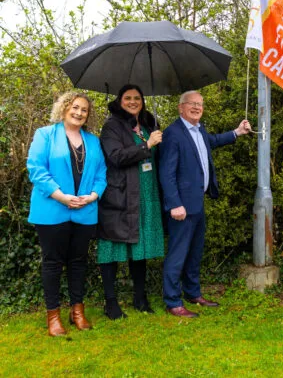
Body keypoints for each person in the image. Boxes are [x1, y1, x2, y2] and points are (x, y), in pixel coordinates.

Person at [159, 90, 252, 318]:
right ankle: (172, 301)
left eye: (199, 104)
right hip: (181, 207)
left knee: (195, 252)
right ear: (180, 107)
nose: (196, 107)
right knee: (178, 253)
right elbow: (166, 172)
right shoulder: (172, 133)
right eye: (191, 103)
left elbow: (213, 141)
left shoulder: (199, 129)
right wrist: (174, 204)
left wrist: (237, 132)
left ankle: (192, 293)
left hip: (197, 203)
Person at [26, 92, 107, 336]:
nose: (79, 112)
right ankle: (53, 316)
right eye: (75, 107)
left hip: (85, 212)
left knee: (78, 263)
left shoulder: (93, 141)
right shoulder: (45, 135)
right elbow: (36, 169)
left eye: (84, 110)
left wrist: (93, 195)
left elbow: (102, 173)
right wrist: (61, 196)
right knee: (52, 264)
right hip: (52, 211)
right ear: (64, 108)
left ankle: (77, 311)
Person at [97, 84, 165, 320]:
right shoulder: (111, 126)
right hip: (121, 195)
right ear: (119, 100)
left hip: (146, 194)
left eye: (138, 97)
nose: (133, 101)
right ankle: (111, 302)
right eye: (128, 98)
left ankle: (140, 297)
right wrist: (146, 145)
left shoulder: (148, 124)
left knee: (141, 248)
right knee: (113, 249)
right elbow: (116, 157)